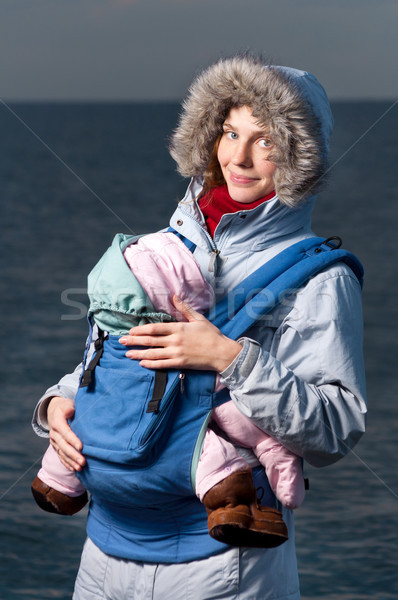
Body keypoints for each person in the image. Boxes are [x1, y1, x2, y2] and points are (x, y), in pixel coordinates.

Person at [32, 55, 367, 599]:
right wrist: (57, 407)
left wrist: (231, 359)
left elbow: (334, 429)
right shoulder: (160, 247)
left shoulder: (320, 278)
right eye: (230, 132)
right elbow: (108, 357)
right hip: (105, 548)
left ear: (298, 154)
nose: (238, 156)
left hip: (224, 561)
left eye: (265, 140)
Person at [32, 229, 306, 546]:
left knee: (74, 440)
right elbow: (223, 403)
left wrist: (57, 401)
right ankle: (233, 508)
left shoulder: (105, 338)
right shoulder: (185, 346)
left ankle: (53, 483)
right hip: (171, 473)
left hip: (94, 471)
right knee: (219, 452)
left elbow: (88, 372)